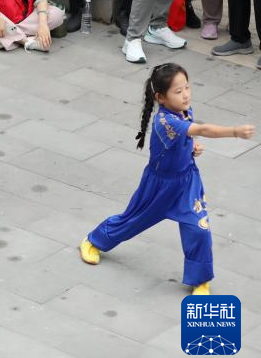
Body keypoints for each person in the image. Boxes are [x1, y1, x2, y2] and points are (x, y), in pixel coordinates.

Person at [80, 63, 255, 296]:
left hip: (187, 182)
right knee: (133, 220)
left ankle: (200, 279)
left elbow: (187, 136)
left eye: (187, 87)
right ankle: (94, 241)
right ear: (160, 98)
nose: (186, 95)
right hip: (159, 186)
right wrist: (234, 132)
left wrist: (192, 147)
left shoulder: (184, 110)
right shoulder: (165, 121)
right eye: (178, 91)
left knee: (199, 228)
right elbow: (201, 130)